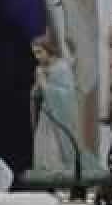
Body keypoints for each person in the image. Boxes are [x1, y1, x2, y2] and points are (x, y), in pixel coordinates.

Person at [30, 36, 81, 175]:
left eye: (39, 52)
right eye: (34, 53)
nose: (37, 56)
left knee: (55, 148)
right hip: (46, 113)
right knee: (43, 145)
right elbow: (37, 94)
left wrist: (45, 85)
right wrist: (37, 88)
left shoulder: (62, 67)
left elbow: (68, 94)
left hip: (59, 117)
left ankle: (59, 173)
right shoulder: (40, 69)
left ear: (48, 50)